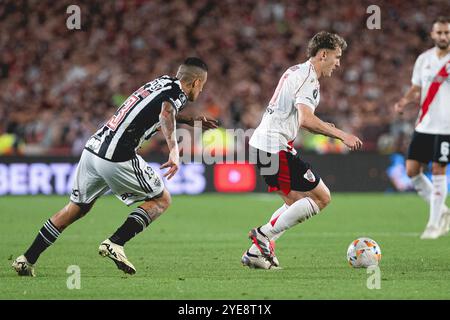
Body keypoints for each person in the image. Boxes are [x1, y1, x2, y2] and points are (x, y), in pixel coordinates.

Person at [12, 57, 217, 276]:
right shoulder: (178, 94)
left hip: (93, 148)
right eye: (202, 87)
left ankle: (27, 259)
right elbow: (166, 112)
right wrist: (174, 150)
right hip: (116, 154)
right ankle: (115, 243)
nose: (201, 92)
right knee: (162, 199)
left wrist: (189, 120)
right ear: (195, 82)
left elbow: (158, 111)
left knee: (75, 209)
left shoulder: (163, 82)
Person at [242, 31, 363, 269]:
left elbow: (301, 117)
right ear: (323, 54)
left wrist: (326, 127)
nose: (338, 63)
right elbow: (306, 119)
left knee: (295, 203)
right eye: (337, 57)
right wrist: (341, 135)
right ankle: (263, 235)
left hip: (262, 145)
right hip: (274, 147)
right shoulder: (309, 78)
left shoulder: (296, 71)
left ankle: (256, 253)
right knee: (322, 198)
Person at [394, 16, 450, 239]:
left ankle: (434, 224)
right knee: (412, 171)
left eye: (447, 33)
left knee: (438, 170)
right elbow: (416, 87)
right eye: (440, 33)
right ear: (432, 34)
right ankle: (443, 211)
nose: (443, 36)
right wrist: (404, 101)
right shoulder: (423, 59)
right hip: (424, 124)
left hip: (446, 127)